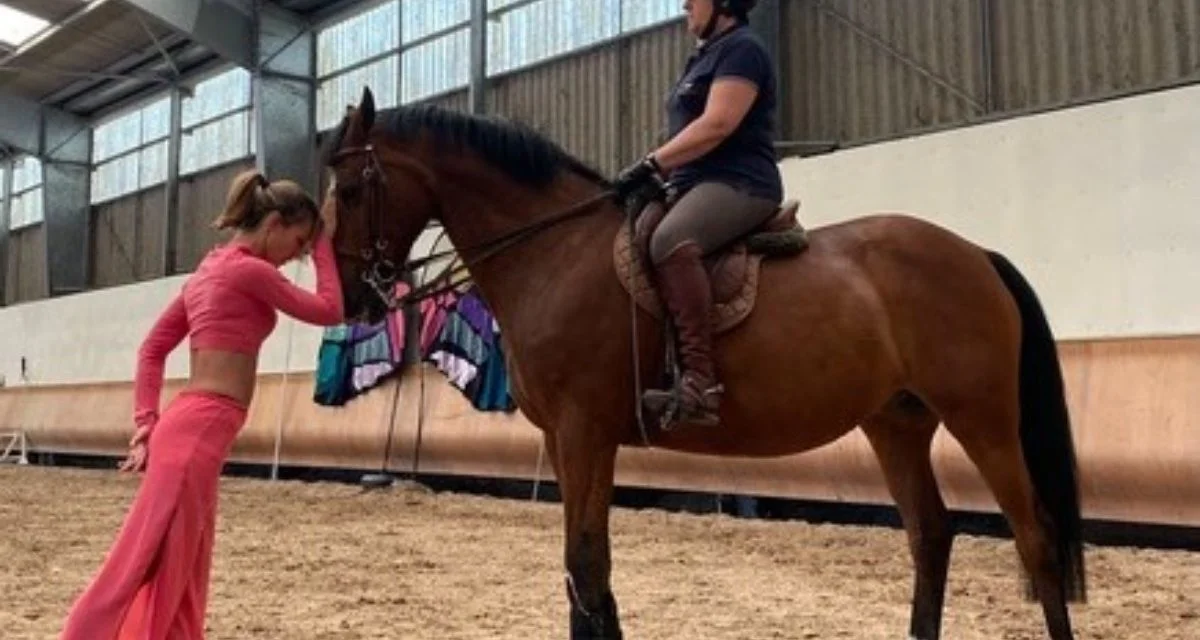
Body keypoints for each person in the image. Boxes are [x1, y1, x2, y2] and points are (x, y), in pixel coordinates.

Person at [60, 170, 343, 639]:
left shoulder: (210, 270)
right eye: (297, 244)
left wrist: (146, 423)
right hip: (200, 430)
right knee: (145, 562)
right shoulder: (249, 270)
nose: (297, 256)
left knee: (183, 565)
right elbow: (330, 309)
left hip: (190, 429)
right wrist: (326, 247)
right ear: (273, 224)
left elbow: (150, 350)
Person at [612, 0, 782, 428]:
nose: (685, 4)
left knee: (670, 240)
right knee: (636, 230)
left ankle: (700, 383)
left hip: (739, 184)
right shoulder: (703, 58)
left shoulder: (743, 50)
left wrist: (652, 163)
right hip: (690, 185)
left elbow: (718, 124)